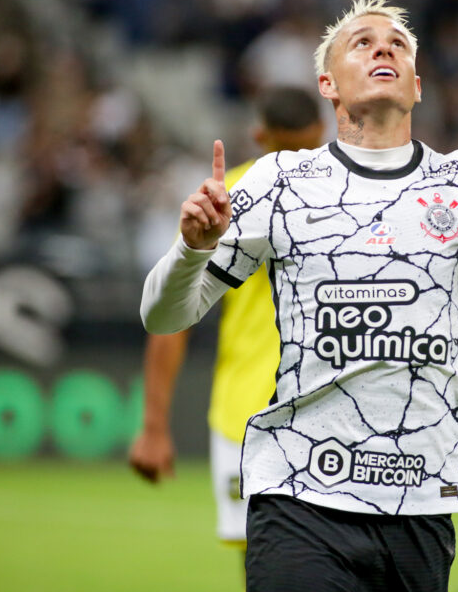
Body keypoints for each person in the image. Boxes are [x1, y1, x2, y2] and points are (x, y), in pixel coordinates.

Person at [139, 0, 458, 592]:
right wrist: (192, 248)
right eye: (360, 43)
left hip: (419, 500)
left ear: (417, 85)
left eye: (397, 44)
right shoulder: (280, 181)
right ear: (327, 84)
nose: (382, 47)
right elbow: (162, 314)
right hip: (298, 493)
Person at [128, 87, 325, 552]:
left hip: (321, 410)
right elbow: (176, 312)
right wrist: (153, 425)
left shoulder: (345, 195)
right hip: (249, 416)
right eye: (288, 148)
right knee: (267, 562)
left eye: (308, 147)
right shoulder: (228, 198)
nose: (299, 160)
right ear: (260, 137)